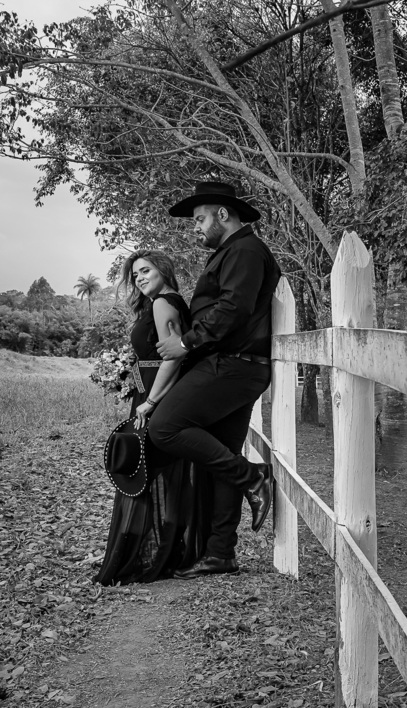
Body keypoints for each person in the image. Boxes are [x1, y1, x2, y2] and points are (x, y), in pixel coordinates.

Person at [148, 180, 277, 579]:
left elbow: (233, 309)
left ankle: (251, 476)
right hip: (236, 366)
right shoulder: (231, 252)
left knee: (164, 427)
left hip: (233, 366)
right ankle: (221, 553)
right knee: (222, 452)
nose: (196, 226)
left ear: (224, 214)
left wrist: (185, 344)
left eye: (200, 218)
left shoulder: (245, 250)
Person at [94, 251, 209, 585]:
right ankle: (165, 550)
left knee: (144, 470)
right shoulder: (162, 302)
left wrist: (152, 400)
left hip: (158, 398)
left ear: (163, 269)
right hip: (150, 393)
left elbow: (173, 359)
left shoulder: (163, 302)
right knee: (158, 471)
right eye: (134, 274)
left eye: (145, 270)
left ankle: (150, 554)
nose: (139, 278)